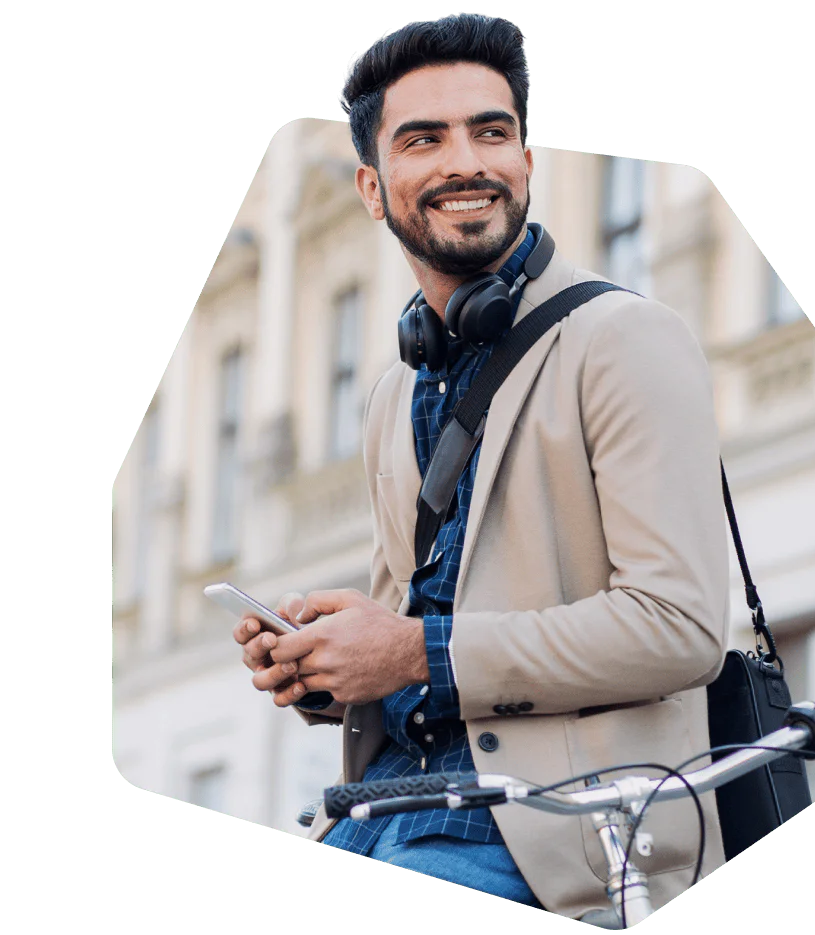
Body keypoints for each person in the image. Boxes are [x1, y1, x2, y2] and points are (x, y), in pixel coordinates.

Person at [231, 12, 730, 923]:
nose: (468, 160)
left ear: (527, 163)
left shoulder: (625, 339)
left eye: (491, 131)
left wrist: (411, 652)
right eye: (426, 139)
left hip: (556, 832)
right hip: (387, 806)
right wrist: (330, 670)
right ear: (373, 189)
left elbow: (680, 626)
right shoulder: (392, 393)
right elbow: (406, 645)